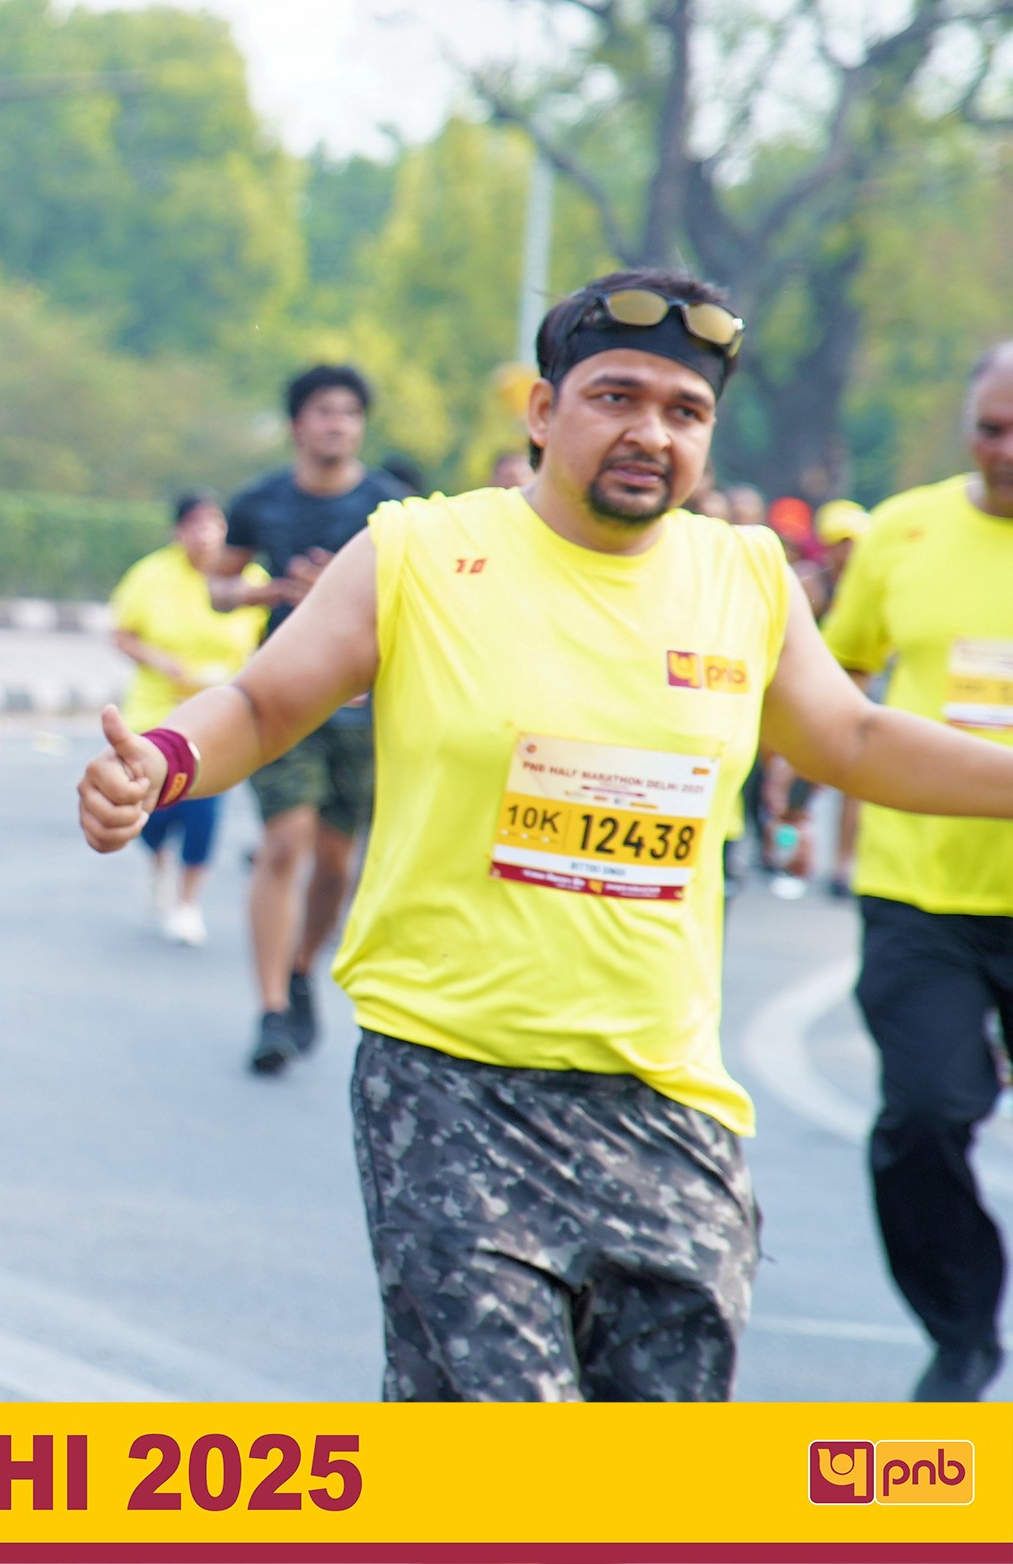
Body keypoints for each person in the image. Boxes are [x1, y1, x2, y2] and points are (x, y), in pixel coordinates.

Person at [78, 269, 1013, 1402]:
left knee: (646, 1476)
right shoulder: (420, 551)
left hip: (667, 1103)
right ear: (541, 410)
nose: (650, 433)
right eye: (616, 396)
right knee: (510, 1451)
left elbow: (853, 738)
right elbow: (266, 703)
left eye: (685, 410)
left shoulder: (745, 576)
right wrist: (163, 763)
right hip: (452, 1085)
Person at [820, 343, 1013, 1402]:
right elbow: (836, 670)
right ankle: (962, 1326)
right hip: (919, 886)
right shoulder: (904, 531)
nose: (1007, 451)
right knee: (926, 1116)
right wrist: (788, 784)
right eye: (991, 428)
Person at [211, 364, 412, 1073]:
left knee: (334, 861)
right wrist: (271, 592)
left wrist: (345, 591)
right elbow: (218, 587)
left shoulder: (391, 507)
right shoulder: (259, 500)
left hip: (362, 704)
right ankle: (270, 1010)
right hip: (284, 693)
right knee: (283, 844)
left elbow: (421, 594)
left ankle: (299, 966)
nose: (338, 425)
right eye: (325, 412)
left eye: (350, 413)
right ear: (299, 424)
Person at [109, 491, 268, 945]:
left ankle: (187, 904)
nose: (206, 534)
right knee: (155, 807)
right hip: (159, 711)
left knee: (205, 805)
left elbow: (272, 640)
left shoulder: (251, 579)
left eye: (215, 524)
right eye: (195, 525)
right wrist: (160, 661)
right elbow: (122, 634)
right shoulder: (151, 576)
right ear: (178, 532)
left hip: (221, 712)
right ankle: (156, 854)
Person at [815, 497, 874, 901]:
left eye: (856, 544)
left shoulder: (870, 583)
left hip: (859, 695)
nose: (849, 553)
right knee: (800, 774)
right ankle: (781, 841)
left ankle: (842, 863)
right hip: (814, 693)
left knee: (857, 783)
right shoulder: (812, 585)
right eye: (842, 544)